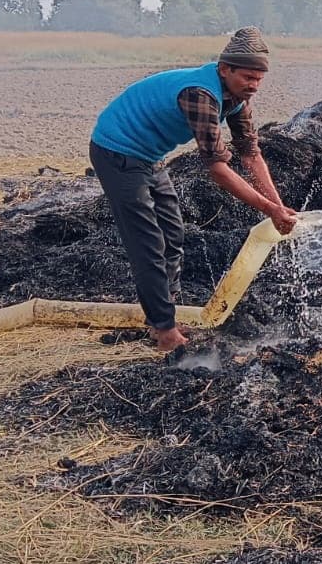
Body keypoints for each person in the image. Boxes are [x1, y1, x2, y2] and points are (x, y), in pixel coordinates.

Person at [89, 26, 297, 350]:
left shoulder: (237, 99)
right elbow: (217, 169)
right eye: (247, 77)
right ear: (224, 68)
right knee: (148, 244)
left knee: (173, 233)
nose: (254, 86)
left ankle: (162, 318)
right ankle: (165, 332)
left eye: (259, 79)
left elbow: (250, 153)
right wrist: (269, 210)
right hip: (117, 151)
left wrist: (278, 205)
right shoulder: (200, 93)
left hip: (149, 157)